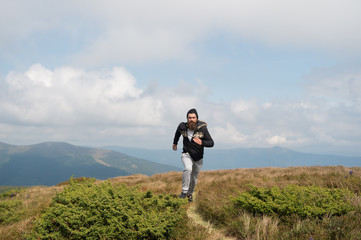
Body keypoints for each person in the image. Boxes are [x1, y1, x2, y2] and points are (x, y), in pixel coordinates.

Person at [172, 108, 214, 202]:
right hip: (186, 153)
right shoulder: (182, 126)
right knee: (188, 168)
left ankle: (189, 194)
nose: (191, 119)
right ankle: (184, 192)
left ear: (197, 119)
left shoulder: (202, 128)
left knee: (194, 178)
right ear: (187, 119)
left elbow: (211, 143)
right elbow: (177, 133)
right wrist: (175, 143)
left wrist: (201, 142)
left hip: (198, 157)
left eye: (193, 118)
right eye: (189, 117)